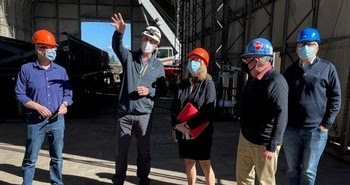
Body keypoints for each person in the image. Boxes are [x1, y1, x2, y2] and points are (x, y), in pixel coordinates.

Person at [110, 13, 166, 185]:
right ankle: (119, 178)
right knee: (122, 151)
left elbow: (163, 89)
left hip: (144, 115)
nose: (147, 42)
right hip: (125, 114)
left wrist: (149, 91)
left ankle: (143, 178)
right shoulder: (129, 58)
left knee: (144, 151)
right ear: (141, 38)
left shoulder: (158, 66)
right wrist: (119, 33)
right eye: (145, 38)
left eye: (151, 40)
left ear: (156, 45)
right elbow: (117, 47)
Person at [283, 27, 341, 185]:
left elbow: (336, 98)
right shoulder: (290, 71)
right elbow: (282, 97)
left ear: (317, 47)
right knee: (292, 169)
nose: (305, 48)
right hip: (291, 130)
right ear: (296, 47)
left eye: (310, 44)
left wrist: (326, 124)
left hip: (315, 130)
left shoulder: (327, 69)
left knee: (308, 171)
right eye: (301, 44)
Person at [15, 29, 73, 185]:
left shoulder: (61, 71)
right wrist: (37, 107)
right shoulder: (26, 70)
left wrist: (65, 104)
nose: (53, 51)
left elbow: (68, 93)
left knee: (57, 157)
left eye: (54, 48)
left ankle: (57, 183)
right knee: (30, 158)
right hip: (35, 121)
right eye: (50, 48)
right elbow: (20, 95)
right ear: (39, 49)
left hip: (57, 121)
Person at [236, 38, 288, 185]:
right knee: (243, 178)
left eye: (247, 59)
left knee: (265, 181)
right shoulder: (252, 79)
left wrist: (272, 146)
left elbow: (281, 114)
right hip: (246, 138)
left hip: (264, 144)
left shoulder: (276, 81)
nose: (245, 63)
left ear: (256, 60)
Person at [171, 47, 216, 185]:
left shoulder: (208, 84)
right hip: (183, 132)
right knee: (189, 162)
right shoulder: (183, 84)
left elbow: (209, 111)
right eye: (191, 60)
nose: (193, 63)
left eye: (197, 60)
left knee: (205, 164)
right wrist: (175, 126)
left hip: (201, 131)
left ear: (204, 64)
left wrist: (188, 125)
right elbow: (174, 107)